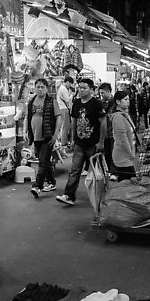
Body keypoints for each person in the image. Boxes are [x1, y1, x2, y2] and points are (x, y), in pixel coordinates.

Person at [56, 78, 106, 206]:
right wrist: (72, 139)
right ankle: (68, 195)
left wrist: (101, 142)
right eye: (80, 87)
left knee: (96, 173)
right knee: (74, 170)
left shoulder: (96, 104)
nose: (81, 90)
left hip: (93, 144)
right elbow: (74, 122)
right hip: (79, 144)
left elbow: (103, 123)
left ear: (91, 89)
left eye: (84, 88)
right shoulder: (76, 103)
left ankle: (101, 197)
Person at [24, 78, 62, 198]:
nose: (40, 89)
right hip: (35, 136)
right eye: (38, 86)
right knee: (45, 161)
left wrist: (56, 134)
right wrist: (25, 131)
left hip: (48, 136)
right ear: (34, 88)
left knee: (42, 160)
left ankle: (37, 186)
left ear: (46, 88)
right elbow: (27, 117)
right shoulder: (31, 101)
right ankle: (51, 182)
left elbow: (59, 118)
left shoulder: (52, 101)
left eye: (42, 87)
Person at [111, 91, 138, 181]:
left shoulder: (124, 115)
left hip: (126, 154)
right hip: (122, 155)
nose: (128, 102)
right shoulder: (118, 117)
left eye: (128, 99)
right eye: (125, 99)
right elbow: (122, 138)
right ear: (118, 102)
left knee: (126, 184)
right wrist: (130, 152)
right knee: (128, 183)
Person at [98, 82, 117, 181]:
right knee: (107, 152)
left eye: (103, 93)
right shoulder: (101, 103)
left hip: (114, 131)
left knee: (114, 152)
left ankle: (114, 172)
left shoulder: (115, 103)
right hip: (105, 132)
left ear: (109, 91)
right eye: (100, 93)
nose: (101, 95)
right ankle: (110, 170)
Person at [56, 76, 73, 146]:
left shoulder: (61, 88)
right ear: (67, 82)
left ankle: (63, 141)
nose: (70, 85)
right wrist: (72, 95)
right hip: (64, 108)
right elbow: (67, 100)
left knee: (64, 126)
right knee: (65, 126)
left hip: (61, 108)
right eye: (70, 83)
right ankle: (63, 142)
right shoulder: (64, 89)